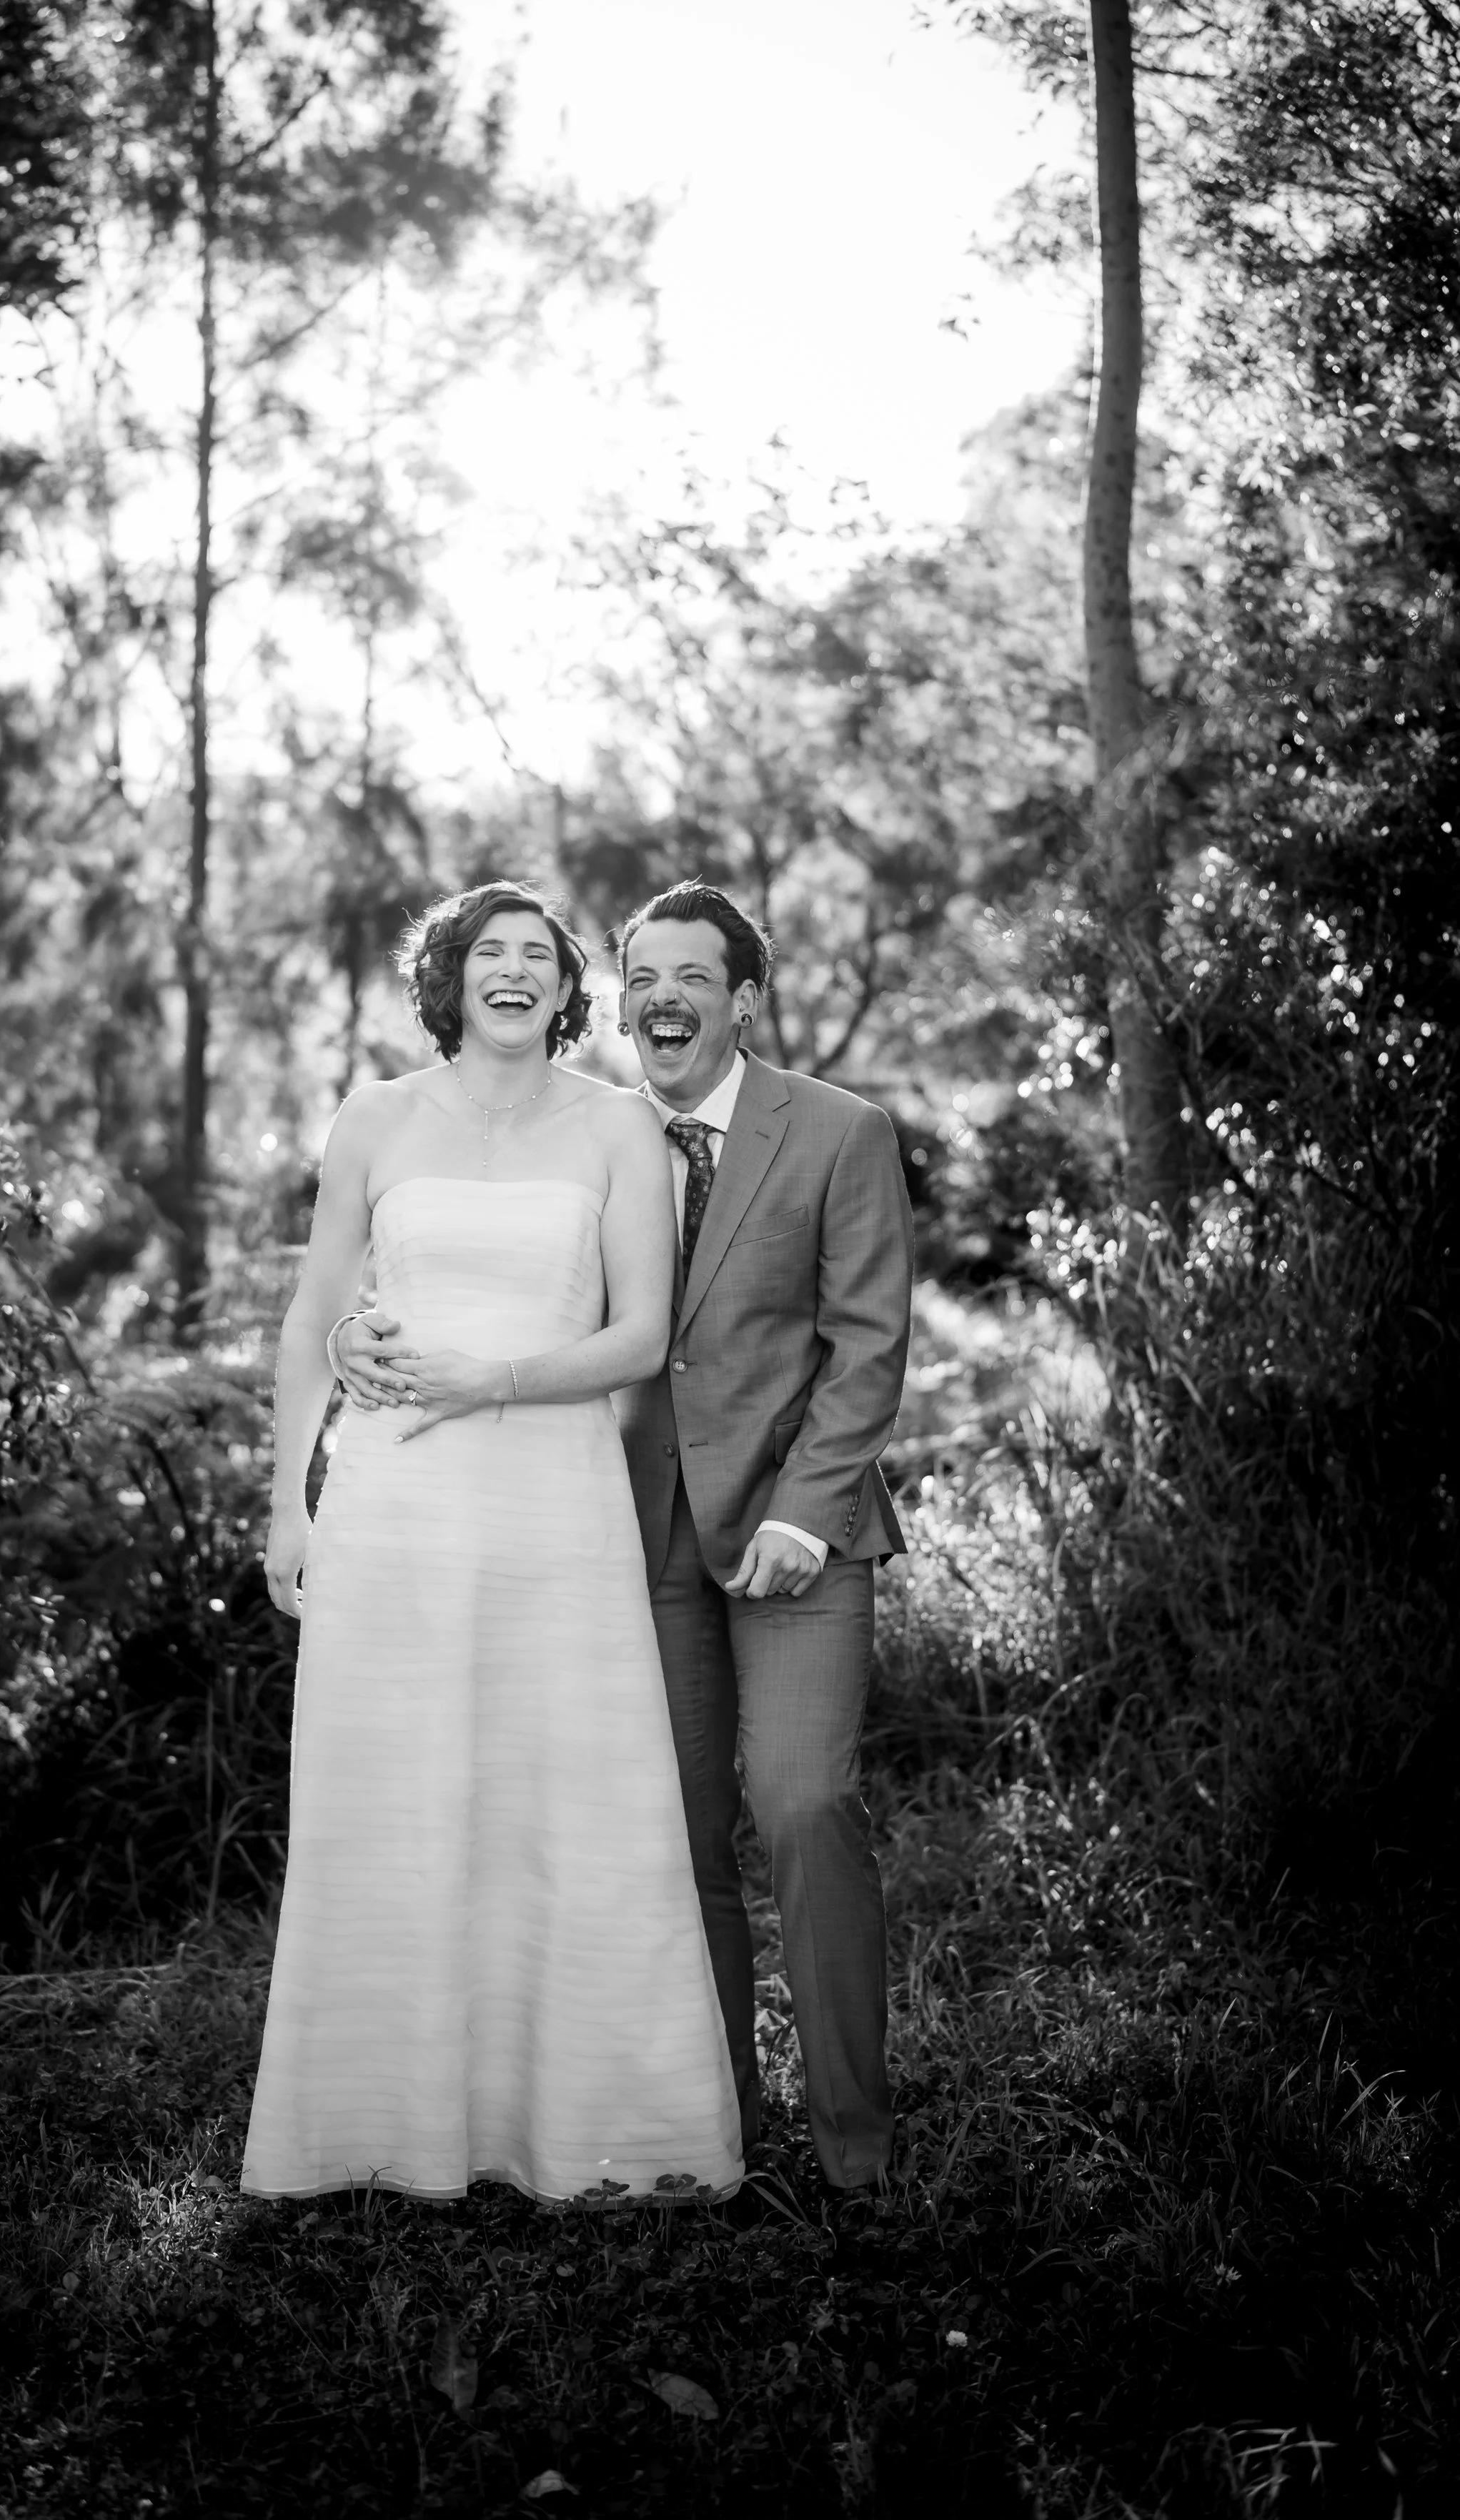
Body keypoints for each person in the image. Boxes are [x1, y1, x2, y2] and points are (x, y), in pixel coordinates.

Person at [342, 880, 914, 2195]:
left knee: (803, 1803)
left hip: (795, 1533)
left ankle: (856, 2148)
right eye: (641, 974)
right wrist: (348, 1336)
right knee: (677, 1835)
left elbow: (869, 1346)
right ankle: (722, 2130)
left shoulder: (840, 1131)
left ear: (744, 999)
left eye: (693, 976)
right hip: (630, 1536)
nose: (663, 996)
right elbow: (482, 1287)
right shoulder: (585, 1132)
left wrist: (804, 1509)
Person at [242, 881, 743, 2206]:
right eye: (489, 952)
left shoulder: (620, 1125)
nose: (513, 971)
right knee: (391, 1797)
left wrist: (492, 1379)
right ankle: (379, 2129)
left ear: (568, 989)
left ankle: (590, 2131)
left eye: (540, 955)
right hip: (394, 1509)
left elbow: (642, 1335)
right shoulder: (375, 1116)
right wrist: (291, 1501)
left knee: (568, 1800)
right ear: (451, 976)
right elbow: (315, 1316)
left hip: (555, 1511)